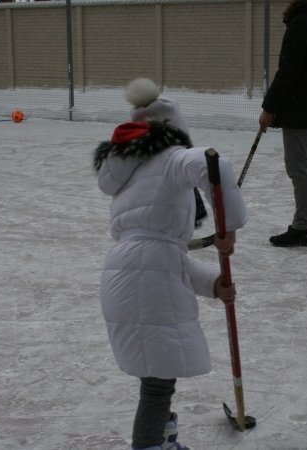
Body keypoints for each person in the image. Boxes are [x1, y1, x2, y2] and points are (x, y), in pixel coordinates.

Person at [94, 115, 247, 449]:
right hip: (146, 279)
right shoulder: (172, 158)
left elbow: (165, 260)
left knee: (157, 373)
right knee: (157, 381)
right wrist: (228, 226)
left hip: (126, 272)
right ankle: (149, 444)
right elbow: (213, 163)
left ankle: (161, 438)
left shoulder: (132, 176)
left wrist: (214, 285)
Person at [259, 0, 307, 247]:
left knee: (299, 166)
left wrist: (269, 108)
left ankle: (302, 226)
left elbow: (288, 70)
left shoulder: (302, 22)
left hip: (298, 106)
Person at [125, 77, 209, 229]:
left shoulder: (144, 112)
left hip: (169, 152)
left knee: (174, 183)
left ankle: (191, 213)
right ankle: (197, 213)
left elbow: (136, 129)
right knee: (185, 181)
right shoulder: (169, 104)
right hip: (182, 148)